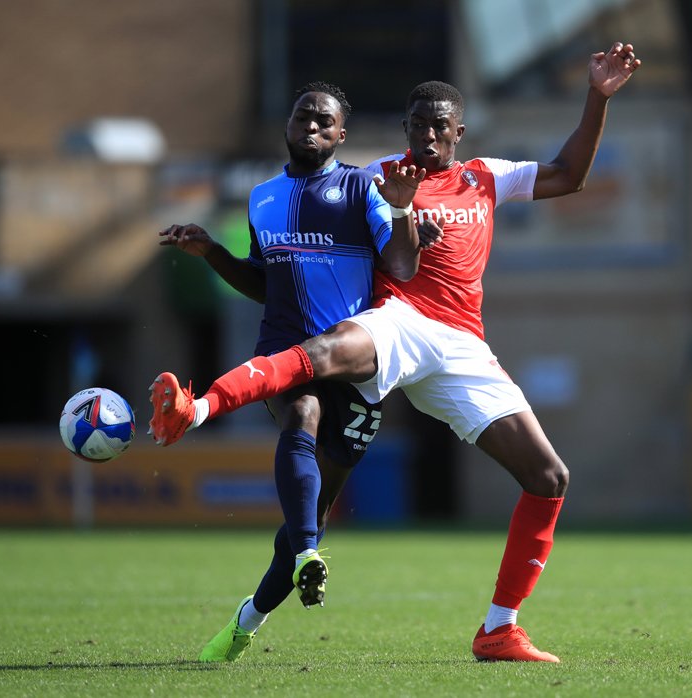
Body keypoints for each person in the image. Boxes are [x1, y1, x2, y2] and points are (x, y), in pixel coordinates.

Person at [151, 42, 642, 662]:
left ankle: (498, 628)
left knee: (549, 477)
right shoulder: (374, 176)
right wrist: (398, 207)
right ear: (405, 131)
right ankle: (197, 409)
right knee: (319, 359)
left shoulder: (485, 176)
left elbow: (569, 176)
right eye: (418, 126)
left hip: (463, 343)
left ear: (459, 132)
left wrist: (597, 97)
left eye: (441, 127)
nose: (428, 136)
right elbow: (364, 242)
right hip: (401, 320)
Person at [154, 81, 426, 662]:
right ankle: (307, 553)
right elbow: (264, 282)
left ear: (340, 135)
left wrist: (404, 214)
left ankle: (246, 621)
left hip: (354, 358)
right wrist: (214, 255)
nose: (312, 125)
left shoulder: (361, 187)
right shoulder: (261, 198)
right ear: (288, 124)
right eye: (304, 115)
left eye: (324, 120)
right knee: (298, 415)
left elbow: (401, 265)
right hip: (285, 351)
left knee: (316, 511)